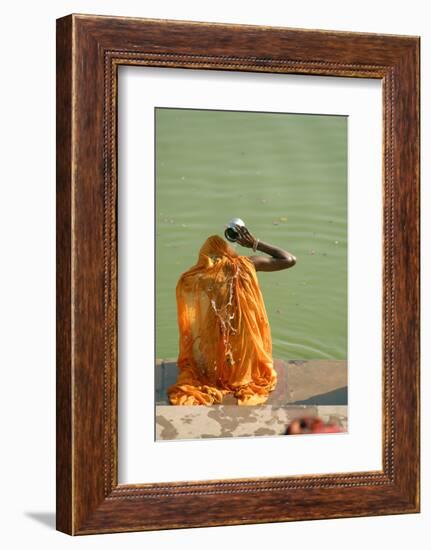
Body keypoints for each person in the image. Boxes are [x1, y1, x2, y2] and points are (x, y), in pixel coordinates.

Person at [167, 225, 296, 406]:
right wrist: (255, 243)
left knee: (213, 360)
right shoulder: (247, 264)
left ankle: (222, 377)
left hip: (215, 327)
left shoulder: (200, 275)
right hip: (244, 328)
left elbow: (185, 287)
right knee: (241, 359)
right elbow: (289, 259)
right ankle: (239, 377)